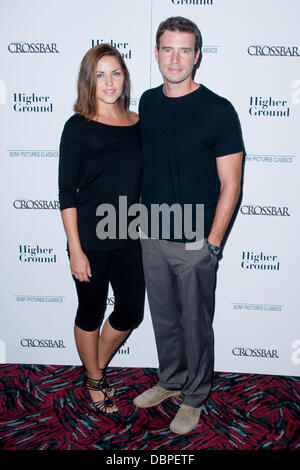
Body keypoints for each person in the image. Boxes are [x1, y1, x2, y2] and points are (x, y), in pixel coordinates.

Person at [133, 17, 244, 434]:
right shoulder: (147, 101)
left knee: (196, 323)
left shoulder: (218, 110)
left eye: (184, 50)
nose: (175, 58)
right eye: (167, 49)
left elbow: (231, 184)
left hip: (196, 240)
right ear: (157, 53)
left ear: (198, 56)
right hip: (151, 234)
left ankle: (194, 396)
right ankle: (171, 380)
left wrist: (212, 243)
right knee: (163, 318)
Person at [58, 44, 145, 415]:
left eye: (115, 73)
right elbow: (66, 193)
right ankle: (95, 381)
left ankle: (94, 369)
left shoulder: (139, 122)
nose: (109, 82)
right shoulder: (77, 128)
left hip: (130, 238)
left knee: (130, 311)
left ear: (125, 77)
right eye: (100, 74)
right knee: (90, 311)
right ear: (88, 81)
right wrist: (75, 249)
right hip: (90, 241)